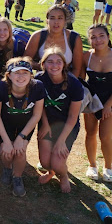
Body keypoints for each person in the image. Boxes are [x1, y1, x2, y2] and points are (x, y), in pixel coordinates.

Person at [0, 58, 45, 197]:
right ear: (8, 75)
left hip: (26, 125)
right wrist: (6, 141)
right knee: (7, 151)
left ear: (31, 75)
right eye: (16, 73)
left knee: (20, 151)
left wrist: (22, 137)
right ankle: (7, 168)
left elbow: (36, 115)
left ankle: (17, 177)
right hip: (7, 123)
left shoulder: (37, 86)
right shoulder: (1, 87)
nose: (21, 76)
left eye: (25, 73)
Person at [36, 48, 83, 193]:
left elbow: (72, 116)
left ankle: (63, 176)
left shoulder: (74, 84)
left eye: (58, 62)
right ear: (43, 64)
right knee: (45, 162)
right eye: (50, 62)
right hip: (48, 124)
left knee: (57, 163)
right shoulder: (39, 79)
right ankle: (51, 172)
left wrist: (62, 140)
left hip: (67, 126)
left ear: (64, 64)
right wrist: (44, 123)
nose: (54, 65)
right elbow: (40, 105)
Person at [82, 24, 112, 182]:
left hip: (110, 102)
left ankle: (108, 167)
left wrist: (108, 105)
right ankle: (92, 166)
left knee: (106, 136)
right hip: (91, 101)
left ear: (108, 37)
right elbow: (79, 79)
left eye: (101, 36)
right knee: (90, 133)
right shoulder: (86, 56)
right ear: (89, 40)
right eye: (93, 37)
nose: (98, 40)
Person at [24, 4, 83, 77]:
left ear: (65, 20)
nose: (56, 22)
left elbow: (77, 69)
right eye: (52, 18)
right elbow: (25, 61)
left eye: (60, 18)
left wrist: (68, 85)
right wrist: (44, 66)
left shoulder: (74, 38)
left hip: (68, 80)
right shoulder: (38, 36)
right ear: (47, 20)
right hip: (43, 80)